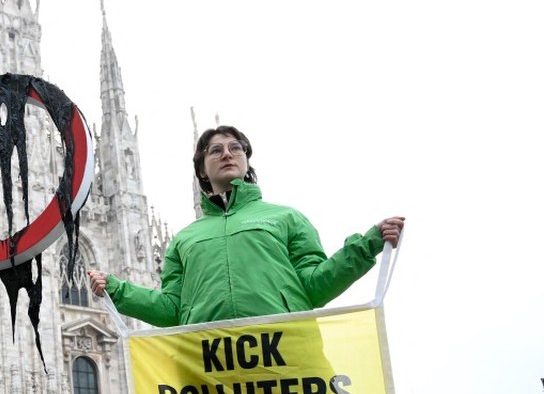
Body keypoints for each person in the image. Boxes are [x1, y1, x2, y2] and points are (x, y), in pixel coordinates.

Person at [88, 125, 404, 326]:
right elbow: (172, 308)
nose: (227, 154)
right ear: (201, 168)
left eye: (235, 148)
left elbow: (315, 285)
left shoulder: (285, 218)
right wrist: (115, 289)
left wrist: (368, 244)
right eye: (216, 150)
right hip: (214, 369)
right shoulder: (186, 239)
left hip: (286, 357)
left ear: (246, 160)